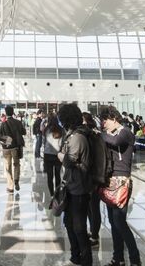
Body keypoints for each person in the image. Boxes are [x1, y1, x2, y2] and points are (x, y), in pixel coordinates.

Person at [98, 106, 141, 266]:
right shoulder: (110, 134)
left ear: (114, 118)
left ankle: (135, 259)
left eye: (106, 121)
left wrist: (99, 134)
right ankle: (118, 258)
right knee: (113, 222)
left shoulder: (125, 132)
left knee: (119, 222)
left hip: (122, 181)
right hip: (110, 180)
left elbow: (115, 141)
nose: (104, 124)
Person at [57, 104, 92, 266]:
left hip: (79, 188)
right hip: (72, 186)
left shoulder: (78, 137)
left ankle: (85, 260)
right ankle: (75, 256)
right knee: (69, 223)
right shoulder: (72, 135)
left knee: (79, 227)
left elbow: (69, 160)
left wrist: (60, 155)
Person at [82, 112, 102, 247]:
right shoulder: (93, 134)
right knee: (91, 207)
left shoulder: (91, 135)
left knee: (93, 207)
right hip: (92, 175)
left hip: (92, 176)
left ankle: (95, 236)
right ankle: (93, 232)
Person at [0, 105, 26, 192]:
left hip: (6, 148)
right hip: (16, 147)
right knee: (16, 164)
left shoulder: (3, 124)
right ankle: (16, 180)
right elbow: (24, 132)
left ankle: (10, 186)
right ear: (13, 112)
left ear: (6, 113)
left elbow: (0, 135)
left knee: (8, 166)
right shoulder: (18, 122)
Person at [43, 114, 64, 197]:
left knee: (50, 176)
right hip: (57, 154)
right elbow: (62, 143)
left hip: (47, 154)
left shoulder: (46, 130)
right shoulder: (61, 130)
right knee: (58, 175)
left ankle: (51, 194)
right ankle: (57, 194)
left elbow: (44, 142)